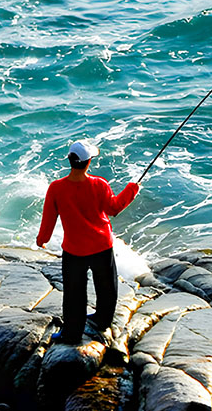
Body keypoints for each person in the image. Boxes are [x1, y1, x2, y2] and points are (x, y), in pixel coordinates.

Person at [36, 139, 140, 343]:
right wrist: (132, 189)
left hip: (75, 250)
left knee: (74, 294)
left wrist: (42, 240)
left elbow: (48, 219)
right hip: (101, 245)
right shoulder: (99, 184)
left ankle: (72, 333)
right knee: (106, 287)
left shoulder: (56, 188)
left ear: (69, 160)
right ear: (88, 162)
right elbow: (114, 208)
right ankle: (102, 321)